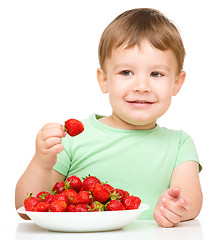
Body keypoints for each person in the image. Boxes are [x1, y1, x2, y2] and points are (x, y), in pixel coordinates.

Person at [15, 8, 202, 227]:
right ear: (104, 80)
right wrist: (41, 162)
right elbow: (27, 209)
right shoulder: (72, 139)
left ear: (177, 83)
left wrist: (175, 207)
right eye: (126, 73)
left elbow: (192, 201)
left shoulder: (179, 143)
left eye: (156, 74)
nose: (141, 86)